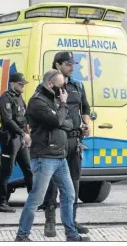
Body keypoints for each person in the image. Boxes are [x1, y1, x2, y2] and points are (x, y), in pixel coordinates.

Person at [15, 69, 89, 242]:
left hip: (59, 157)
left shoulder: (53, 99)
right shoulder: (37, 101)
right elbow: (57, 121)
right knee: (36, 198)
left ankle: (71, 235)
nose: (63, 91)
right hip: (44, 157)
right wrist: (62, 108)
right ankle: (22, 235)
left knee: (69, 195)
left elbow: (68, 122)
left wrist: (60, 117)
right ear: (50, 84)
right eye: (60, 86)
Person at [40, 52, 91, 237]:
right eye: (68, 64)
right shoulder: (49, 86)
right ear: (58, 65)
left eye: (73, 63)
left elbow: (85, 108)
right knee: (53, 182)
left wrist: (87, 123)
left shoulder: (77, 85)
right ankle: (50, 221)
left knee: (74, 182)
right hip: (56, 140)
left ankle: (71, 220)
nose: (72, 67)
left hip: (74, 140)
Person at [0, 72, 33, 213]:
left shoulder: (20, 98)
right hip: (10, 139)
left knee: (28, 169)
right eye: (20, 84)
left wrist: (27, 135)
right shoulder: (6, 98)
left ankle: (34, 201)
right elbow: (8, 120)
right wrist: (23, 134)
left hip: (20, 139)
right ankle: (1, 203)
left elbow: (25, 118)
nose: (23, 86)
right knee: (6, 171)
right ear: (12, 84)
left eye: (23, 84)